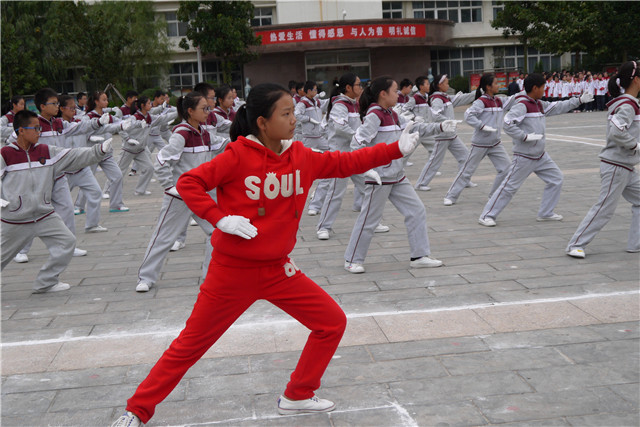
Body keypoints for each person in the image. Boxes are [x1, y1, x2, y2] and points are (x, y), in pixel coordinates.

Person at [110, 82, 421, 427]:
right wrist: (219, 218)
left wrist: (396, 149)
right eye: (286, 114)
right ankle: (137, 410)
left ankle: (298, 395)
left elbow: (345, 161)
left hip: (278, 270)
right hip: (231, 272)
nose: (293, 120)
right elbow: (189, 183)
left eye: (293, 112)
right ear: (262, 121)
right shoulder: (237, 156)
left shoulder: (300, 156)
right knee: (190, 345)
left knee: (331, 322)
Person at [343, 76, 459, 274]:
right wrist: (366, 168)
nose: (398, 94)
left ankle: (419, 256)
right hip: (379, 178)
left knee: (416, 210)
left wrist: (440, 126)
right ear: (383, 94)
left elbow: (415, 128)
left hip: (397, 175)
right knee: (369, 220)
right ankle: (352, 259)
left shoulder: (392, 114)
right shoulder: (375, 115)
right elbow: (356, 143)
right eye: (395, 90)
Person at [1, 110, 111, 292]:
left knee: (67, 241)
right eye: (35, 128)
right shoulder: (6, 154)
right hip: (15, 219)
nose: (39, 132)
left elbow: (73, 155)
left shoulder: (46, 151)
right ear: (21, 131)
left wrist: (98, 151)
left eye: (39, 128)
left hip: (45, 215)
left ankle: (46, 281)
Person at [478, 73, 595, 227]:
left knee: (556, 178)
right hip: (524, 156)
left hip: (540, 155)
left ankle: (546, 213)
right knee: (509, 187)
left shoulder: (538, 104)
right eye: (543, 87)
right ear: (535, 88)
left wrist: (578, 100)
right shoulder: (522, 105)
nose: (544, 91)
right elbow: (507, 123)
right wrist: (524, 137)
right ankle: (487, 215)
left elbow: (557, 106)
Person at [135, 92, 222, 292]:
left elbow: (224, 146)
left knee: (216, 232)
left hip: (202, 195)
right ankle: (146, 278)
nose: (208, 112)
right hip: (180, 195)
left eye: (208, 108)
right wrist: (169, 187)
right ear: (190, 111)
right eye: (204, 108)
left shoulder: (204, 132)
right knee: (164, 237)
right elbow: (161, 160)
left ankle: (210, 277)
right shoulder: (181, 133)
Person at [566, 61, 640, 258]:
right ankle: (576, 244)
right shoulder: (628, 104)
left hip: (625, 165)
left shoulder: (625, 103)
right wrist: (635, 145)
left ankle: (636, 243)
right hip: (616, 165)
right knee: (605, 208)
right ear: (637, 80)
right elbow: (617, 131)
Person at [443, 73, 516, 206]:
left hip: (495, 143)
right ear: (488, 87)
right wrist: (482, 126)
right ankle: (451, 196)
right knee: (467, 171)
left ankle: (493, 196)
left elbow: (512, 99)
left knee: (506, 169)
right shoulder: (481, 101)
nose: (498, 85)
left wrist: (525, 93)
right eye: (495, 83)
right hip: (480, 144)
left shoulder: (498, 100)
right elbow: (468, 115)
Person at [316, 72, 367, 239]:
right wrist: (357, 136)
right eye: (358, 85)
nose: (361, 87)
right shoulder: (340, 105)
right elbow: (340, 127)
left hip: (353, 155)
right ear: (348, 88)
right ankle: (323, 227)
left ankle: (372, 220)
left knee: (368, 187)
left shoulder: (354, 104)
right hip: (340, 156)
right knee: (336, 192)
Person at [413, 74, 477, 191]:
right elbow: (436, 115)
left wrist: (477, 93)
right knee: (435, 162)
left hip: (451, 135)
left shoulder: (445, 97)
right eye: (446, 83)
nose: (448, 85)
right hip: (442, 135)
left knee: (465, 157)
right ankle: (421, 184)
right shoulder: (437, 99)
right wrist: (449, 122)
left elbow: (460, 99)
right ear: (439, 85)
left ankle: (464, 179)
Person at [76, 91, 131, 214]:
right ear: (96, 101)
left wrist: (129, 122)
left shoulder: (108, 116)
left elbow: (119, 122)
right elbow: (84, 131)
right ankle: (78, 206)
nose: (106, 102)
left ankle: (116, 204)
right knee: (87, 179)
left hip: (106, 153)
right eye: (104, 100)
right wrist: (90, 137)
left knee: (117, 176)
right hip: (92, 153)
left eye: (107, 99)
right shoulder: (88, 117)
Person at [112, 95, 178, 197]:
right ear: (142, 106)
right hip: (128, 149)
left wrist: (180, 112)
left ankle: (140, 190)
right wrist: (128, 139)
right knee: (119, 171)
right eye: (148, 103)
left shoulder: (150, 117)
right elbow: (121, 129)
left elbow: (164, 118)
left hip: (140, 149)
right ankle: (107, 191)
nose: (150, 105)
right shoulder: (133, 118)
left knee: (149, 168)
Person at [294, 80, 331, 216]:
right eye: (314, 90)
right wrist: (309, 120)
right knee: (304, 170)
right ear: (308, 91)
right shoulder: (302, 103)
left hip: (319, 137)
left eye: (316, 90)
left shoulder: (316, 101)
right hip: (308, 139)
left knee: (330, 156)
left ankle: (316, 200)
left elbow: (326, 104)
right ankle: (298, 200)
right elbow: (297, 115)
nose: (315, 92)